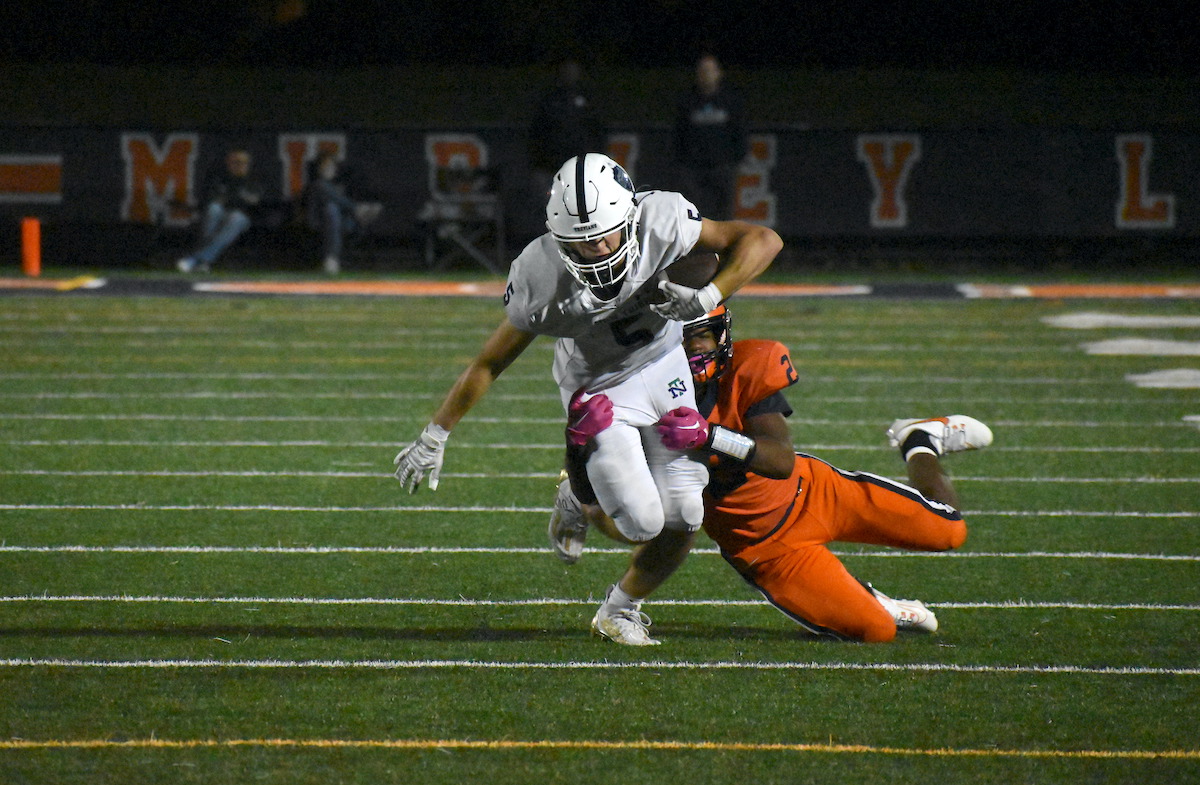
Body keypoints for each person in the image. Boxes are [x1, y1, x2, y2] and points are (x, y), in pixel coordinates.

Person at [393, 152, 783, 639]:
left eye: (603, 235)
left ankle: (618, 610)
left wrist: (707, 296)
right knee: (641, 524)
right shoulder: (539, 275)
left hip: (664, 365)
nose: (597, 250)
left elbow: (763, 239)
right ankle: (579, 492)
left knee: (686, 514)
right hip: (596, 393)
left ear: (629, 217)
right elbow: (490, 361)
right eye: (579, 242)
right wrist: (436, 433)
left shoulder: (660, 220)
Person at [554, 304, 993, 644]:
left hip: (815, 493)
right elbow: (631, 510)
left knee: (950, 530)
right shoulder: (637, 394)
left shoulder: (747, 367)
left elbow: (780, 460)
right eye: (681, 341)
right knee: (876, 630)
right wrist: (580, 446)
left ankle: (919, 440)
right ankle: (871, 600)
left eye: (702, 337)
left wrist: (710, 436)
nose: (693, 351)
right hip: (761, 547)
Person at [521, 58, 608, 245]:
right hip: (551, 167)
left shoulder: (587, 99)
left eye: (573, 70)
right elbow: (536, 134)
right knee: (548, 211)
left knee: (583, 209)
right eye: (566, 70)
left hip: (581, 170)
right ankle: (546, 248)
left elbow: (598, 131)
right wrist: (538, 164)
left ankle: (582, 248)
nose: (570, 74)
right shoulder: (550, 100)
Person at [670, 53, 748, 221]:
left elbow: (739, 131)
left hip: (723, 166)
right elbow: (679, 134)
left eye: (710, 70)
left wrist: (737, 158)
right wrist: (682, 161)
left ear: (719, 73)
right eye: (702, 70)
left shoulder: (730, 101)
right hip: (693, 169)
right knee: (692, 211)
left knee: (724, 211)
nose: (706, 74)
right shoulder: (687, 101)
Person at [177, 148, 264, 273]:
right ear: (228, 163)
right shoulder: (220, 178)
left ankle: (196, 259)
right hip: (220, 215)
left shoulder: (254, 180)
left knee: (235, 217)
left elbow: (254, 203)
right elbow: (214, 200)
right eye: (234, 162)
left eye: (242, 162)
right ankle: (204, 262)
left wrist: (235, 200)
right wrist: (236, 199)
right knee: (214, 210)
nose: (238, 166)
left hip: (243, 219)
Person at [303, 150, 383, 275]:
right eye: (326, 166)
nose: (330, 169)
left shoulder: (339, 185)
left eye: (332, 166)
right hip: (321, 221)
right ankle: (331, 259)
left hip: (343, 221)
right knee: (331, 208)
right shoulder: (317, 185)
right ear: (319, 168)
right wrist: (355, 208)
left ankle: (360, 214)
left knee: (336, 210)